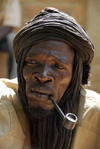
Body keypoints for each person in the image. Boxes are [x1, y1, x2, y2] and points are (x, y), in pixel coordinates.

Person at [0, 7, 100, 149]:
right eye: (32, 62)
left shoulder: (94, 116)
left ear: (75, 76)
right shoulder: (3, 104)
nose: (43, 76)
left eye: (58, 66)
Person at [0, 0, 21, 78]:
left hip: (2, 33)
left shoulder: (11, 1)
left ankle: (14, 80)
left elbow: (9, 26)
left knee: (14, 40)